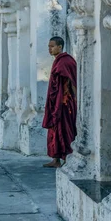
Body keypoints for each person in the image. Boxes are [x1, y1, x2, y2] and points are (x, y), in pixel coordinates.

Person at [42, 36, 77, 168]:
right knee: (54, 130)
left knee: (65, 130)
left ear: (60, 47)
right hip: (55, 102)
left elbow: (72, 82)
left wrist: (73, 99)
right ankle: (56, 159)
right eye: (49, 47)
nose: (50, 49)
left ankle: (68, 158)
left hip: (64, 104)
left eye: (52, 46)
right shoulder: (58, 61)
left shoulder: (66, 62)